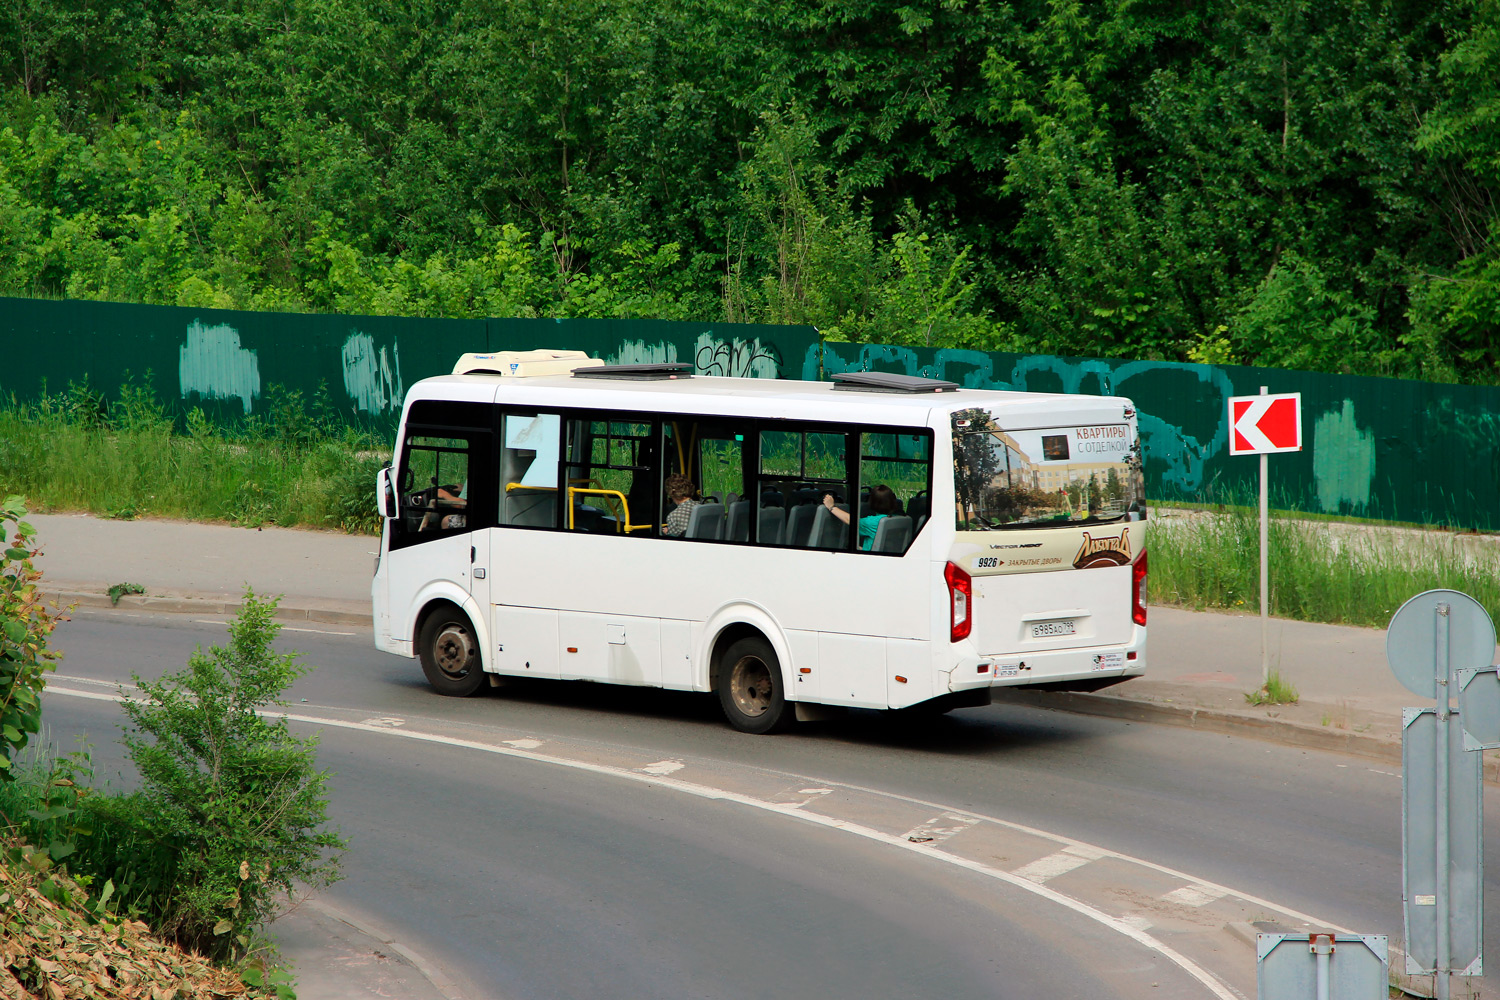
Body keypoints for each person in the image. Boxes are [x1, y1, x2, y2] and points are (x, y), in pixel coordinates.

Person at [824, 484, 898, 551]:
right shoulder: (895, 519)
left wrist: (831, 507)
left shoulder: (873, 522)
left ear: (872, 502)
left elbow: (850, 520)